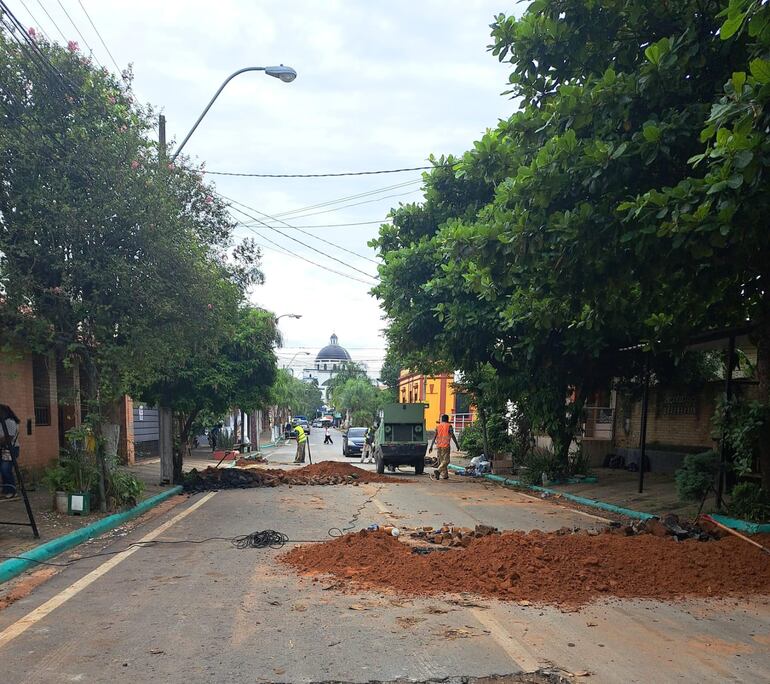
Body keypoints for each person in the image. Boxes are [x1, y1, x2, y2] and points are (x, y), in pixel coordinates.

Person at [428, 414, 460, 480]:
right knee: (446, 461)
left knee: (442, 461)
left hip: (439, 446)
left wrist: (431, 446)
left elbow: (434, 437)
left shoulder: (438, 426)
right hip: (446, 446)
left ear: (442, 419)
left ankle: (445, 476)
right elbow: (452, 436)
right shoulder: (449, 426)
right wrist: (457, 444)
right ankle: (438, 471)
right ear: (447, 419)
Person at [0, 404, 20, 499]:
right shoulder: (1, 422)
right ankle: (6, 489)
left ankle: (12, 491)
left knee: (6, 469)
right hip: (3, 449)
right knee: (3, 469)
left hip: (11, 449)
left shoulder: (10, 422)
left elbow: (9, 437)